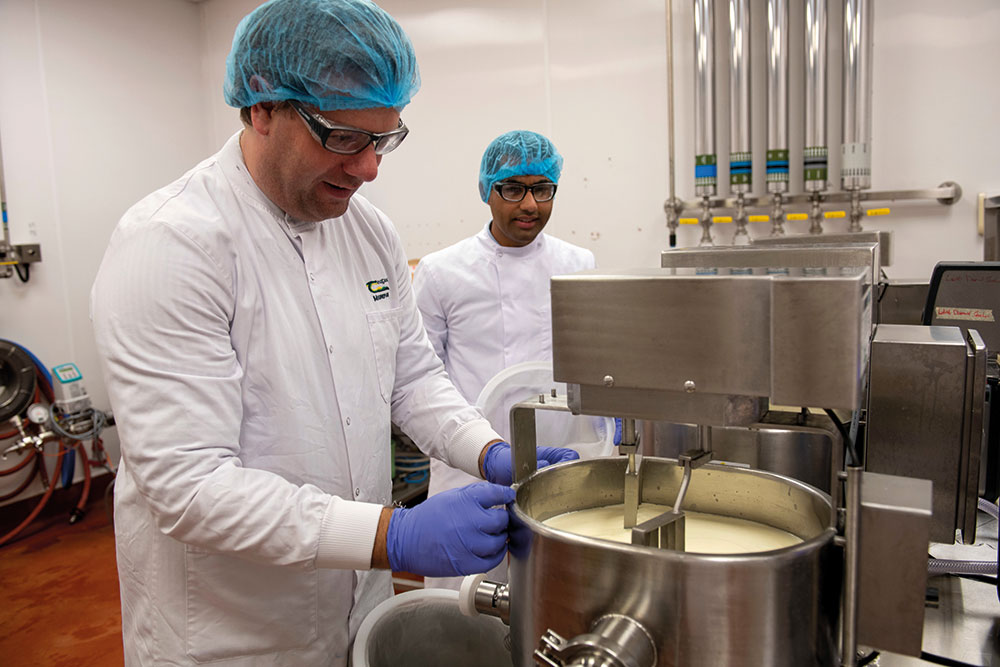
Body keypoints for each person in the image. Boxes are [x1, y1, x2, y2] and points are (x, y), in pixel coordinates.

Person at [90, 2, 576, 665]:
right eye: (344, 138)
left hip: (356, 602)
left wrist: (489, 450)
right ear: (262, 107)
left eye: (384, 139)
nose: (369, 167)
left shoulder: (368, 231)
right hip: (235, 632)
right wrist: (393, 533)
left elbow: (411, 375)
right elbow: (190, 486)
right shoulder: (172, 245)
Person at [413, 130, 599, 589]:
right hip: (468, 468)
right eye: (513, 189)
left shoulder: (578, 265)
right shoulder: (442, 272)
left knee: (552, 599)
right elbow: (418, 376)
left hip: (557, 464)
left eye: (542, 189)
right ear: (487, 191)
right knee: (461, 608)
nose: (530, 205)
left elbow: (592, 362)